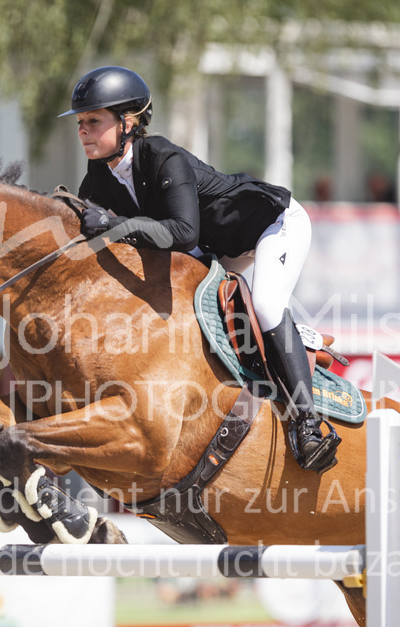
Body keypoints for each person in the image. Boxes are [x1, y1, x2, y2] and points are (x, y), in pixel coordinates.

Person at [58, 65, 339, 473]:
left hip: (272, 225)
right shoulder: (99, 176)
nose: (83, 130)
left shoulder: (162, 157)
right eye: (81, 122)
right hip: (217, 247)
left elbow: (183, 232)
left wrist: (114, 225)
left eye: (93, 121)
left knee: (264, 303)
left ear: (128, 122)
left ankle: (309, 424)